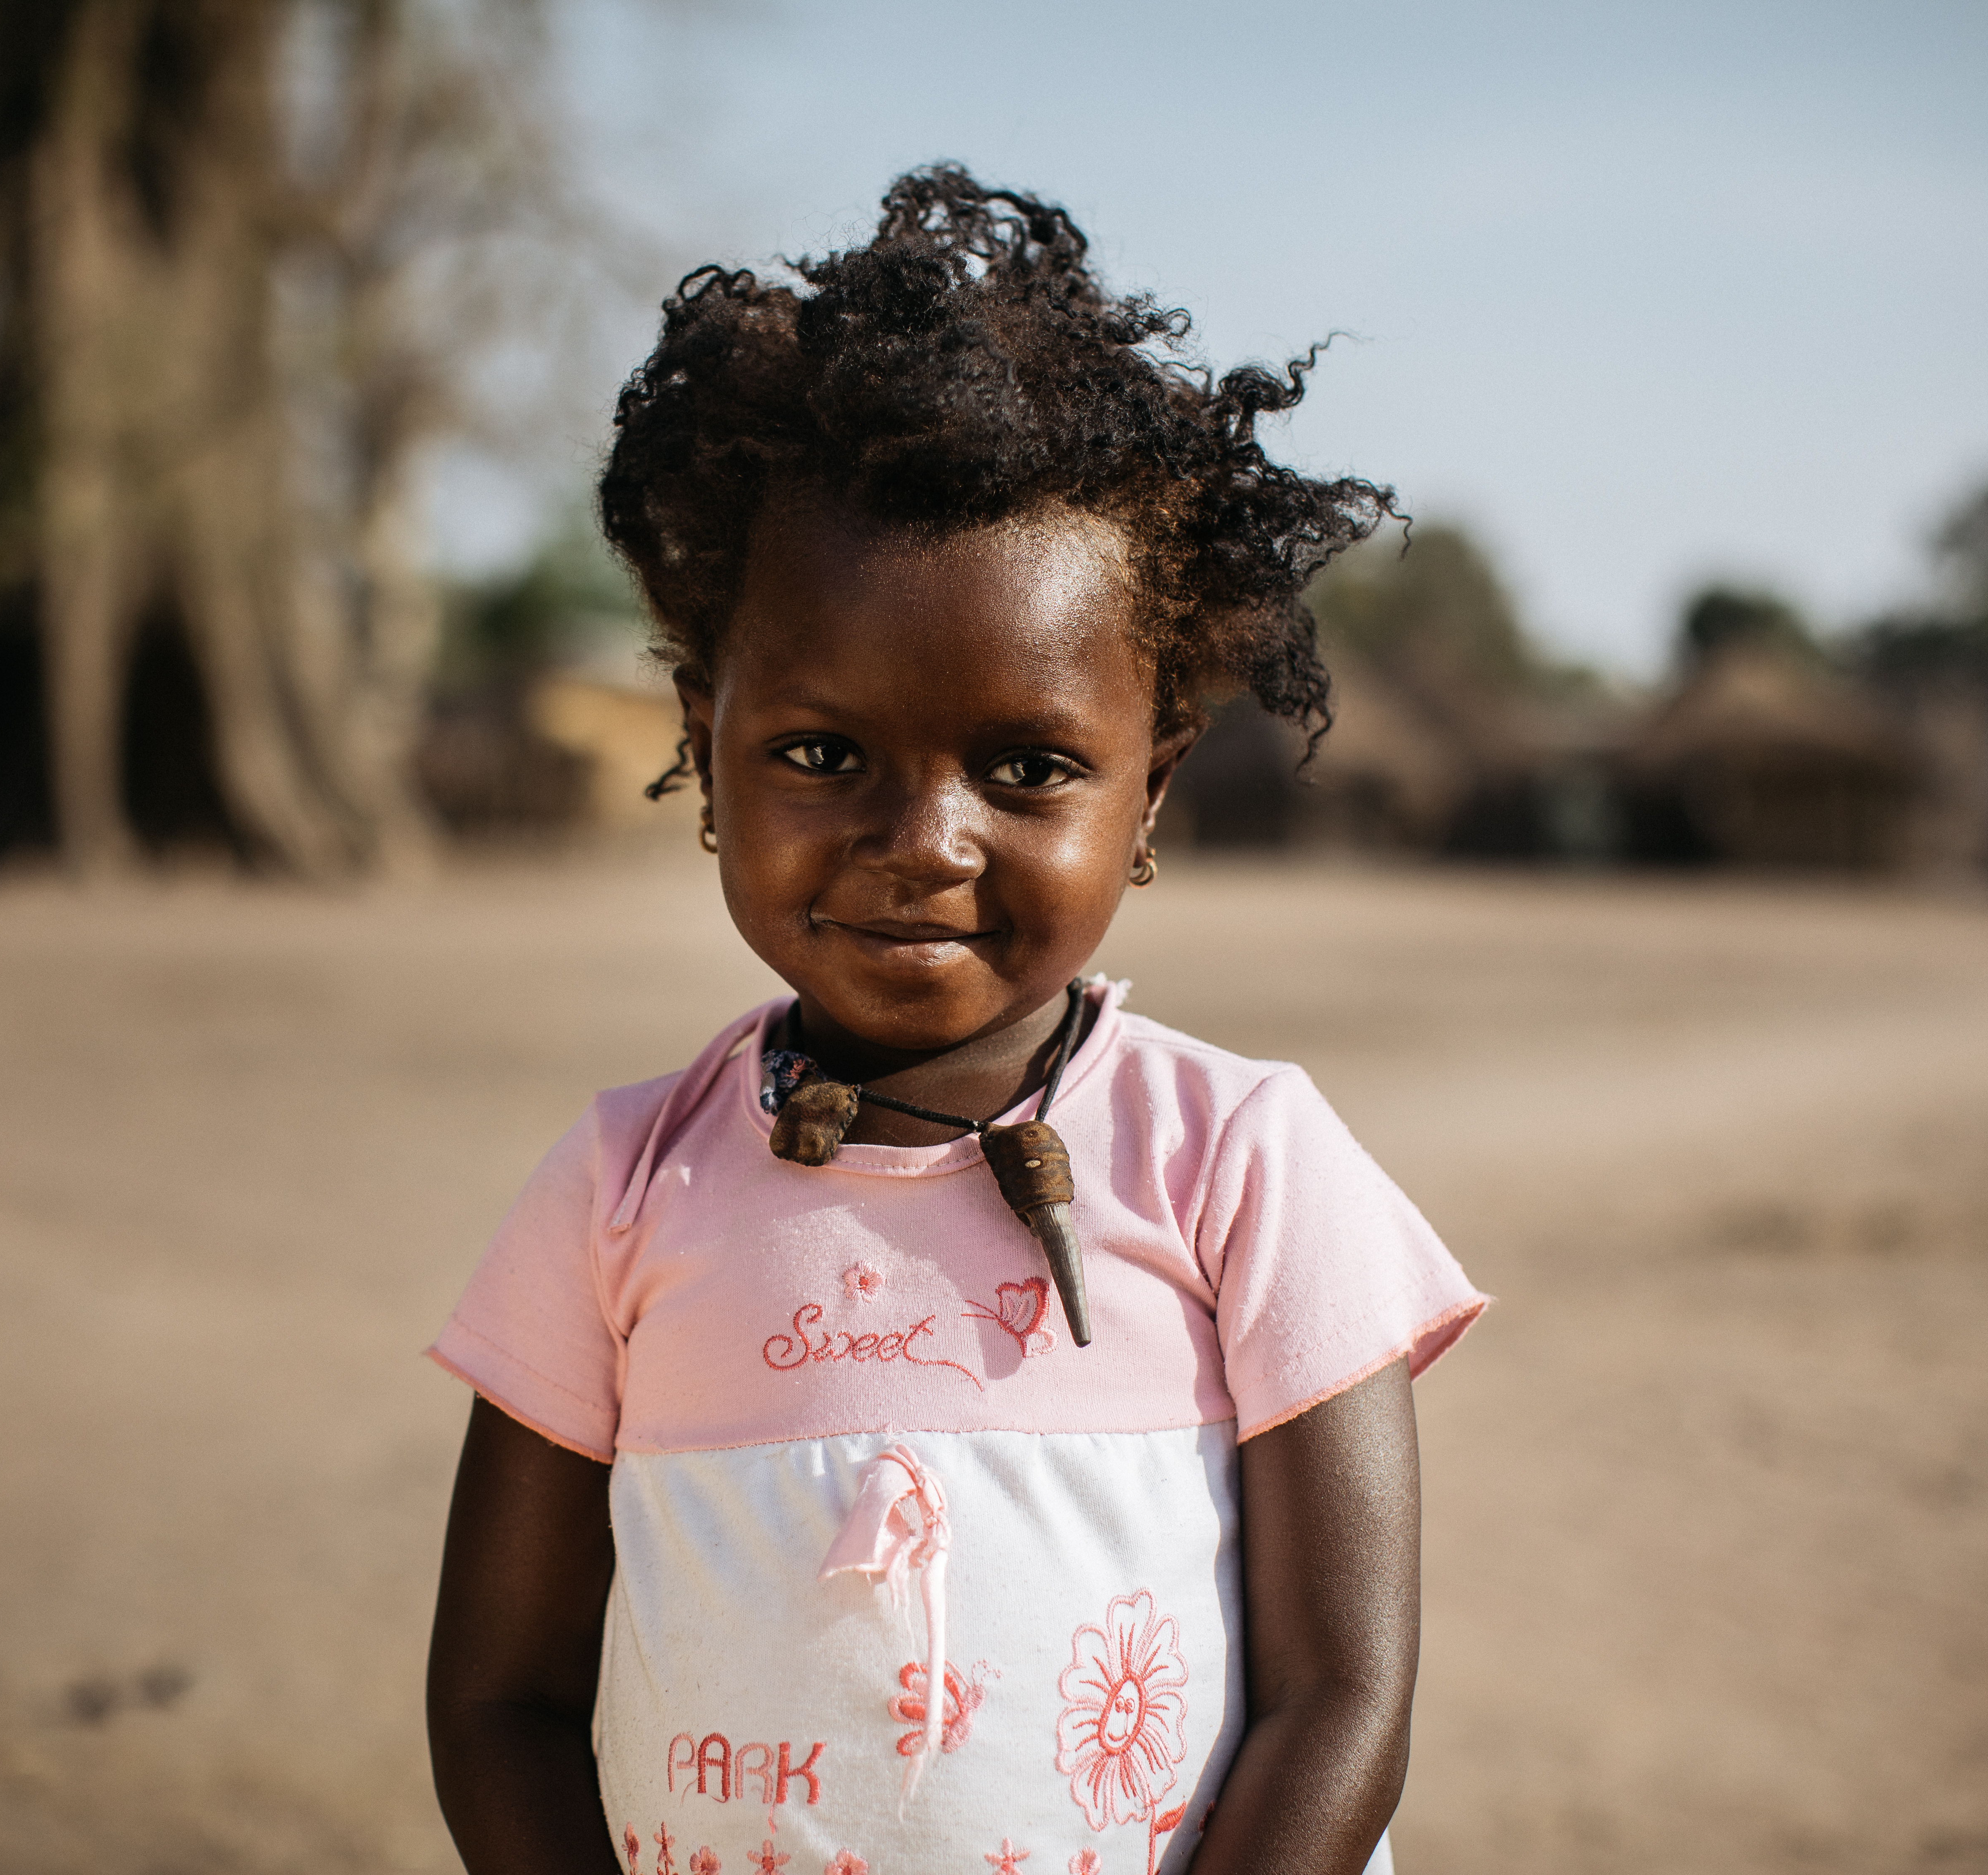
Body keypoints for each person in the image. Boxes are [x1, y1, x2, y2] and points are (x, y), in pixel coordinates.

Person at [424, 167, 1486, 1875]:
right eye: (824, 754)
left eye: (1029, 765)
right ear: (708, 742)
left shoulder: (1247, 1163)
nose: (925, 841)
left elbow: (1344, 1696)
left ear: (1151, 791)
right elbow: (501, 1701)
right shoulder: (621, 1186)